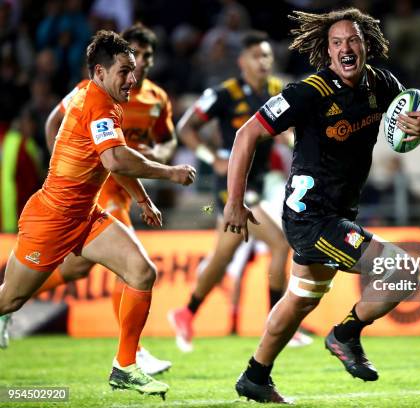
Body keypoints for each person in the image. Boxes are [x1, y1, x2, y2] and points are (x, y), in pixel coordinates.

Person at [223, 8, 420, 403]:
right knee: (403, 270)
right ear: (327, 52)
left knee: (300, 299)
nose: (346, 48)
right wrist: (233, 204)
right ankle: (346, 334)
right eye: (337, 42)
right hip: (311, 218)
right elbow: (247, 133)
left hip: (339, 213)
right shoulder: (309, 92)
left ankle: (255, 376)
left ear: (366, 45)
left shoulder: (381, 83)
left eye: (353, 40)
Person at [0, 30, 196, 399]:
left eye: (134, 70)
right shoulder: (97, 104)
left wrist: (140, 198)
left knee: (141, 272)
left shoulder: (108, 102)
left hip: (85, 216)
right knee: (8, 299)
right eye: (124, 71)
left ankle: (125, 366)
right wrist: (169, 172)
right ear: (100, 72)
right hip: (51, 219)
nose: (132, 79)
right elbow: (116, 158)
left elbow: (113, 162)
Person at [35, 23, 177, 376]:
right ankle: (133, 354)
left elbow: (167, 140)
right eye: (134, 57)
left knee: (81, 267)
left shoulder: (155, 99)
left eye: (146, 56)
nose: (141, 63)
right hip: (103, 189)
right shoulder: (91, 92)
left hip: (122, 187)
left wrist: (155, 153)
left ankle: (13, 301)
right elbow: (61, 125)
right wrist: (66, 163)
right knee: (133, 267)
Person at [167, 31, 311, 352]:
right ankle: (280, 323)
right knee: (279, 243)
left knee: (224, 255)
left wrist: (291, 141)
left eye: (267, 56)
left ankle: (186, 313)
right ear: (242, 61)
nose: (263, 62)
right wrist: (211, 157)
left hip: (256, 184)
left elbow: (285, 131)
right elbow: (185, 128)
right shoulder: (225, 94)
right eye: (257, 56)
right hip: (232, 186)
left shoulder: (277, 91)